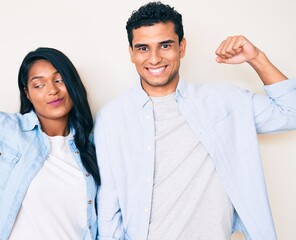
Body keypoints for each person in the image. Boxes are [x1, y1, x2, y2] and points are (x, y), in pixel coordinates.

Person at [94, 2, 296, 240]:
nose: (155, 58)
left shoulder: (224, 101)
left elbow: (290, 113)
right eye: (143, 48)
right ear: (131, 53)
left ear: (182, 47)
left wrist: (256, 58)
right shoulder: (112, 117)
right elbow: (109, 200)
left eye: (165, 45)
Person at [0, 47, 100, 240]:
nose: (53, 90)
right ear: (27, 93)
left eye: (59, 80)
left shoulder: (95, 146)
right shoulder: (1, 129)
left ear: (73, 84)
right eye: (39, 85)